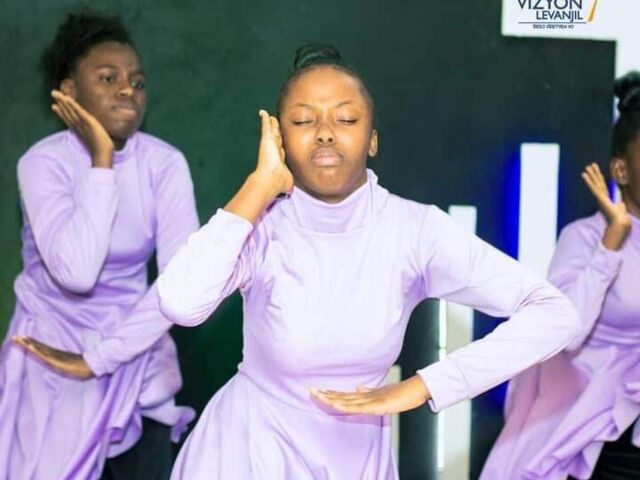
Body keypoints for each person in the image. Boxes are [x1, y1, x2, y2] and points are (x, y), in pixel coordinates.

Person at [152, 44, 579, 479]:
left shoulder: (414, 230)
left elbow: (555, 314)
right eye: (303, 121)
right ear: (280, 140)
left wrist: (427, 385)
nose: (325, 133)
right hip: (245, 457)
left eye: (346, 119)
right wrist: (260, 185)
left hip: (356, 462)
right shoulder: (261, 227)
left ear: (372, 139)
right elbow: (180, 303)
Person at [1, 9, 198, 480]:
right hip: (49, 365)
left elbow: (183, 287)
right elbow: (77, 272)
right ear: (68, 92)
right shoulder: (42, 164)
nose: (128, 90)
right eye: (108, 78)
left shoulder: (165, 165)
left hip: (137, 356)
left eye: (137, 82)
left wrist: (104, 356)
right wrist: (102, 162)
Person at [481, 72, 640, 480]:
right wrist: (611, 245)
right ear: (620, 170)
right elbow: (566, 334)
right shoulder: (584, 238)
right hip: (593, 433)